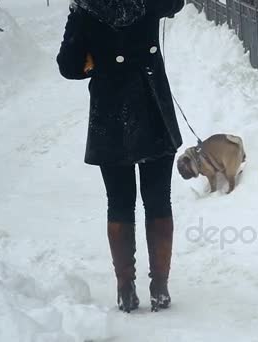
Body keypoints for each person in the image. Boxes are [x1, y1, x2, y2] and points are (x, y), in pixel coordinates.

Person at [56, 0, 185, 313]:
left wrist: (93, 60)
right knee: (158, 200)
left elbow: (69, 66)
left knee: (119, 202)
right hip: (152, 106)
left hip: (110, 114)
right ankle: (160, 286)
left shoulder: (85, 10)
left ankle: (125, 288)